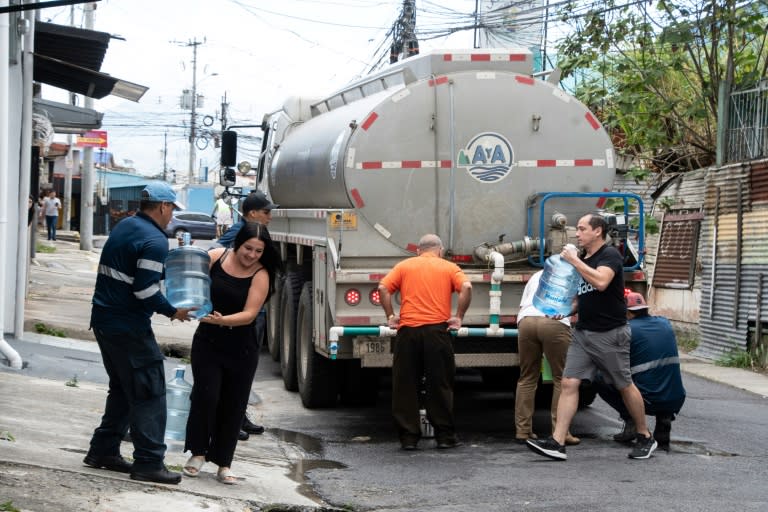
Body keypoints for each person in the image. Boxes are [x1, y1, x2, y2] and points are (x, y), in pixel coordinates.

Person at [83, 182, 195, 485]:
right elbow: (145, 289)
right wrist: (173, 311)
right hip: (128, 325)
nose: (172, 215)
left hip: (105, 320)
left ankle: (103, 450)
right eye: (172, 208)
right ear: (162, 206)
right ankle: (148, 461)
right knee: (149, 389)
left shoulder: (126, 225)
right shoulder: (155, 240)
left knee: (123, 388)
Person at [527, 213, 658, 461]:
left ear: (597, 231)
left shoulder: (609, 255)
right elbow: (583, 296)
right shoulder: (585, 258)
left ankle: (644, 435)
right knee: (568, 383)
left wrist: (575, 261)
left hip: (610, 333)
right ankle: (557, 441)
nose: (577, 234)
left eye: (582, 228)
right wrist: (566, 310)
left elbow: (600, 282)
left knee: (623, 385)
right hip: (584, 333)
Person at [182, 222, 279, 484]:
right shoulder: (215, 258)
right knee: (206, 396)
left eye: (258, 251)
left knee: (233, 404)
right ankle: (198, 453)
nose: (252, 255)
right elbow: (187, 280)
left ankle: (224, 463)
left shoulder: (261, 274)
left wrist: (221, 320)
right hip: (207, 342)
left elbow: (249, 315)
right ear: (238, 243)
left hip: (241, 346)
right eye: (248, 248)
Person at [378, 234, 472, 450]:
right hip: (437, 332)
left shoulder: (405, 266)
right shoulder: (449, 267)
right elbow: (466, 288)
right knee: (439, 384)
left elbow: (383, 288)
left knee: (405, 385)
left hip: (408, 332)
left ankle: (409, 438)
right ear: (440, 250)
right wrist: (458, 317)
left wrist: (391, 316)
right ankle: (445, 437)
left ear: (418, 251)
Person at [217, 189, 279, 439]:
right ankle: (231, 420)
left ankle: (239, 416)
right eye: (266, 212)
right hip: (243, 313)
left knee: (245, 368)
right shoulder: (238, 233)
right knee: (237, 368)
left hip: (255, 311)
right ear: (252, 213)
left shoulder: (257, 233)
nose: (269, 217)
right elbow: (218, 257)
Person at [594, 291, 686, 451]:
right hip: (675, 398)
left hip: (647, 399)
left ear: (627, 312)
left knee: (600, 378)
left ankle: (632, 421)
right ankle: (664, 417)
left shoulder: (626, 330)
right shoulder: (665, 323)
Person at [514, 270, 580, 446]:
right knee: (562, 378)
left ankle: (523, 430)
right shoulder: (575, 274)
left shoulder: (538, 274)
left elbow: (522, 306)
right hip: (554, 322)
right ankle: (561, 432)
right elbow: (577, 303)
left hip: (526, 321)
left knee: (527, 377)